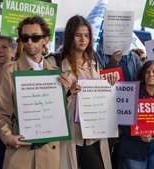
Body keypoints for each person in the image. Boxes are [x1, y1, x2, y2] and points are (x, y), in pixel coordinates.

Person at [0, 16, 60, 169]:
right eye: (25, 38)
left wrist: (70, 93)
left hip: (49, 155)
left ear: (45, 39)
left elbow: (59, 115)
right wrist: (8, 136)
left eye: (35, 37)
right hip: (20, 154)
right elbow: (1, 114)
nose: (29, 42)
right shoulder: (10, 71)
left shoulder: (55, 73)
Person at [57, 15, 113, 169]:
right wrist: (69, 93)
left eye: (86, 35)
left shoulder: (94, 64)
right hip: (71, 134)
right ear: (70, 37)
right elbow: (51, 102)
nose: (83, 39)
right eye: (78, 35)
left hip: (94, 133)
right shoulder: (56, 64)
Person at [117, 60, 154, 169]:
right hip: (134, 146)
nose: (150, 74)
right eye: (147, 72)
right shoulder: (131, 93)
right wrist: (139, 136)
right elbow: (122, 123)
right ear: (143, 75)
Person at [0, 33, 16, 169]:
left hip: (12, 135)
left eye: (4, 47)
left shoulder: (20, 73)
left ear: (13, 51)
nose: (0, 50)